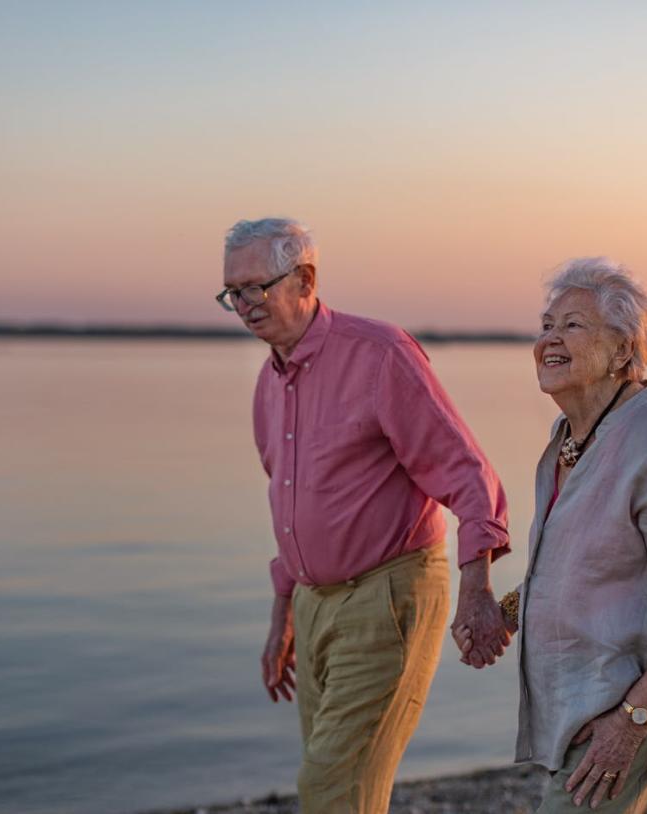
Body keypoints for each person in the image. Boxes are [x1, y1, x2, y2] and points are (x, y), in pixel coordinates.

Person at [218, 217, 513, 813]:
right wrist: (283, 615)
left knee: (332, 786)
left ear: (304, 279)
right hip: (312, 601)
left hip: (388, 595)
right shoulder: (269, 382)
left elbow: (465, 471)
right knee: (342, 786)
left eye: (256, 287)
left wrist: (477, 585)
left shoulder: (380, 355)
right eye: (233, 293)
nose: (245, 305)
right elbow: (288, 499)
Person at [456, 257, 647, 812]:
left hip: (620, 717)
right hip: (576, 710)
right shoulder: (571, 435)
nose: (549, 341)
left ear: (623, 352)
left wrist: (630, 721)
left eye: (572, 326)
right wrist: (506, 612)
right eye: (546, 325)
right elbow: (585, 568)